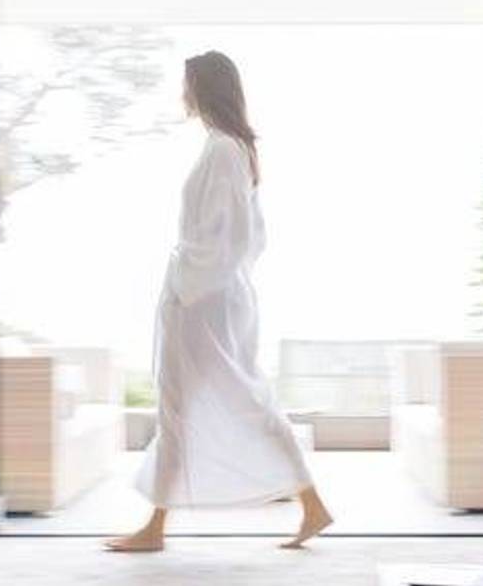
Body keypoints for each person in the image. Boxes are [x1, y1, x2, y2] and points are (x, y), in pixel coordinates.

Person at [105, 51, 333, 552]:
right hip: (211, 296)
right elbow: (245, 238)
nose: (181, 94)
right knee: (207, 403)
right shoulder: (230, 148)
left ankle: (156, 530)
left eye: (187, 84)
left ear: (204, 89)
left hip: (202, 300)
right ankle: (307, 506)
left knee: (200, 403)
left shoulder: (224, 151)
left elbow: (228, 238)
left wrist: (185, 286)